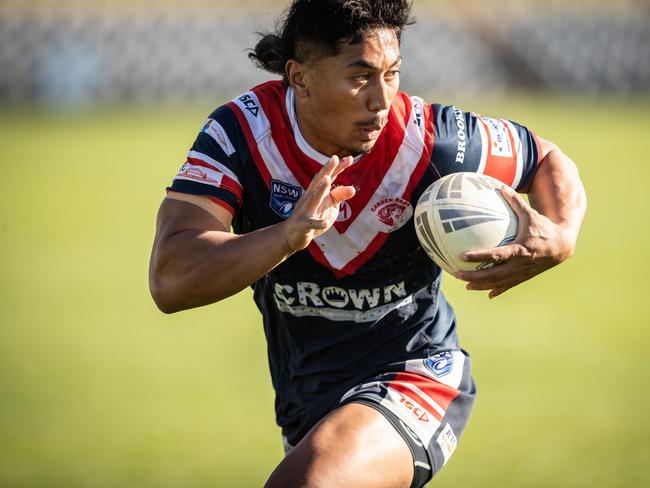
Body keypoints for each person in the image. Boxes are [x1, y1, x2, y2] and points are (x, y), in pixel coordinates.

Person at [148, 1, 586, 486]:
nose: (381, 99)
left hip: (418, 375)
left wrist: (562, 235)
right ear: (299, 77)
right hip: (307, 402)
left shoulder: (435, 141)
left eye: (392, 73)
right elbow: (171, 278)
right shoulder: (242, 134)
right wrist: (287, 236)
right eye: (360, 77)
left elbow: (545, 157)